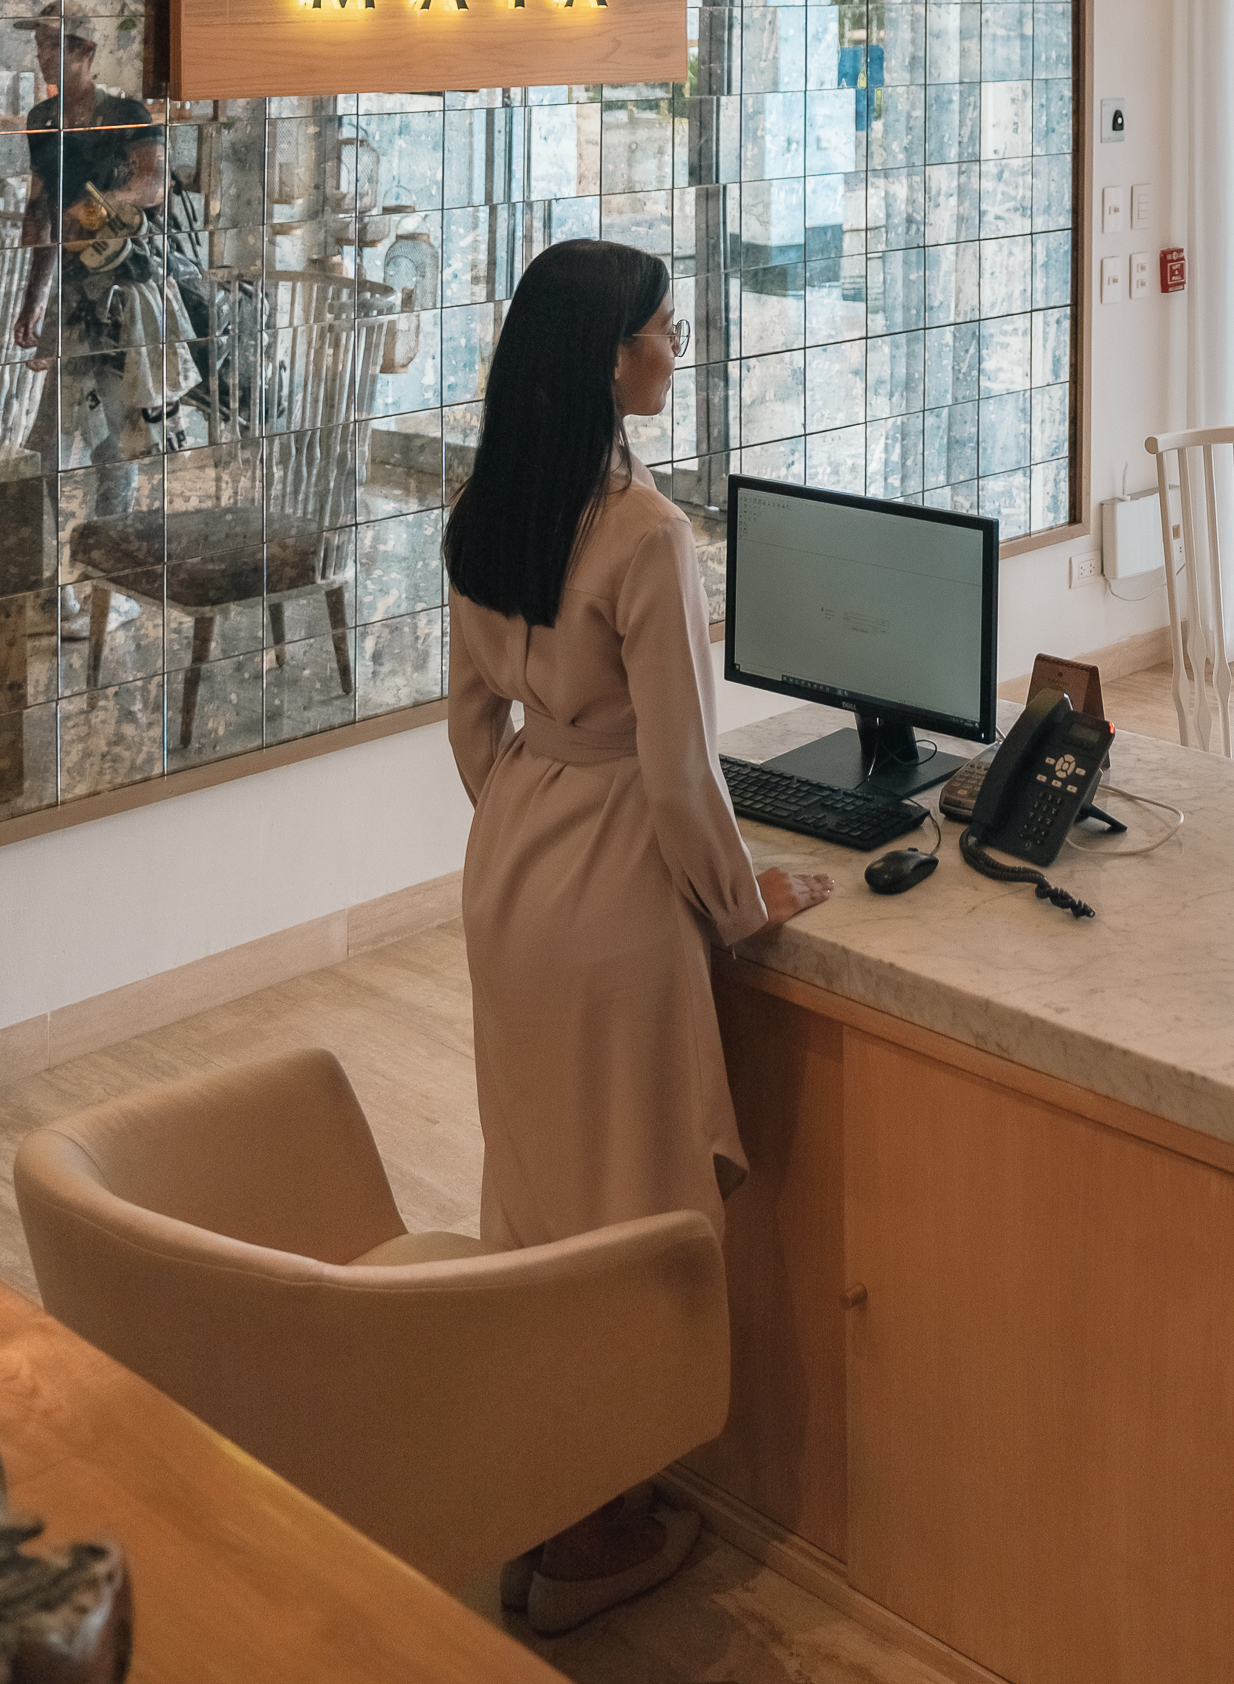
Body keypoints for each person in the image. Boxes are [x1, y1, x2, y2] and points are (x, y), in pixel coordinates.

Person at [445, 238, 832, 1636]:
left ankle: (535, 1483)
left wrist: (528, 834)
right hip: (614, 892)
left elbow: (470, 726)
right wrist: (746, 903)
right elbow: (679, 778)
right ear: (610, 361)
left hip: (511, 870)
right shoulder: (647, 536)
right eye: (665, 332)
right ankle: (595, 1520)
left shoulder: (487, 503)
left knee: (538, 1189)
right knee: (634, 1207)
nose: (680, 350)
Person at [12, 1, 179, 613]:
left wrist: (90, 207)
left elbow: (153, 183)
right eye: (40, 44)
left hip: (120, 291)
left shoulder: (125, 115)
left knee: (114, 442)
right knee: (51, 449)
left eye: (55, 44)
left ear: (86, 51)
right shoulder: (42, 119)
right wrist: (34, 299)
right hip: (69, 299)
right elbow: (41, 213)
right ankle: (61, 574)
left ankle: (109, 577)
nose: (43, 54)